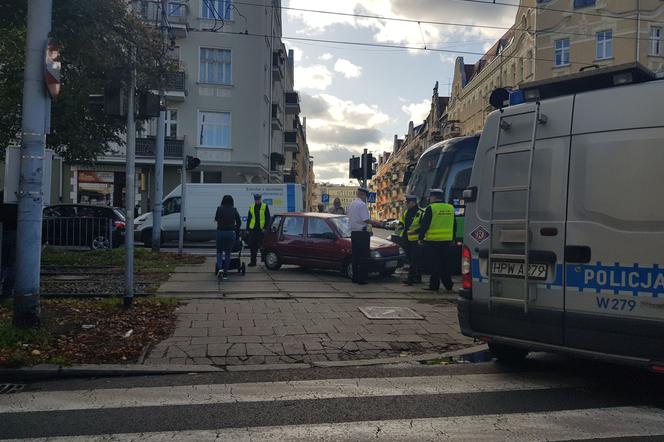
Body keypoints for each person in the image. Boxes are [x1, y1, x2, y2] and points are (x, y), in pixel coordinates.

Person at [418, 189, 455, 292]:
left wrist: (420, 238)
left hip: (432, 241)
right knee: (445, 264)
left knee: (434, 265)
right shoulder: (450, 208)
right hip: (447, 241)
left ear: (433, 197)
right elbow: (454, 225)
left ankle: (434, 286)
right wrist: (453, 238)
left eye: (430, 197)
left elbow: (425, 224)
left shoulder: (431, 208)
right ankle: (448, 285)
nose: (429, 199)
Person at [347, 187, 384, 285]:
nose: (366, 199)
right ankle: (361, 278)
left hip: (354, 233)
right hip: (362, 234)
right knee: (363, 257)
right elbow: (366, 220)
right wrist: (378, 223)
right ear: (363, 195)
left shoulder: (351, 204)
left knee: (355, 256)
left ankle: (355, 277)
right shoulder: (362, 205)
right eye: (366, 197)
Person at [214, 195, 241, 279]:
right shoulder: (234, 210)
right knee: (228, 253)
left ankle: (220, 268)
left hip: (220, 232)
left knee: (219, 252)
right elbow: (239, 222)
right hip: (230, 233)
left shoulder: (219, 209)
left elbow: (216, 219)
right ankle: (226, 272)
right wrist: (235, 229)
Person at [399, 195, 423, 285]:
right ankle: (417, 278)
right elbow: (402, 221)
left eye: (407, 203)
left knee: (414, 260)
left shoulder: (420, 212)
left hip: (416, 240)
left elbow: (423, 227)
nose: (406, 204)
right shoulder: (406, 212)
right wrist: (400, 225)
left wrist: (417, 233)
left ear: (413, 203)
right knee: (411, 259)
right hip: (407, 239)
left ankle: (410, 279)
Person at [246, 193, 270, 267]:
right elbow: (249, 218)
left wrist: (265, 228)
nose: (257, 201)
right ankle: (253, 262)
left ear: (260, 199)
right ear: (254, 200)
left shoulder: (265, 206)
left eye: (258, 199)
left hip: (261, 230)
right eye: (256, 199)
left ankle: (265, 261)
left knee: (262, 247)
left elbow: (267, 218)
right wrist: (247, 229)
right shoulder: (252, 207)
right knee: (253, 247)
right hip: (253, 230)